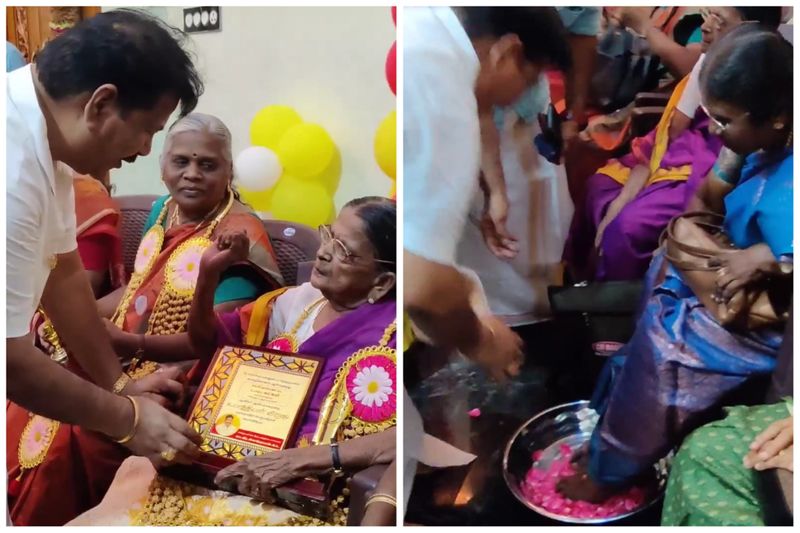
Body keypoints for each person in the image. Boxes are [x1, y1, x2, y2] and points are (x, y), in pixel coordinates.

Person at [7, 112, 282, 526]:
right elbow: (136, 290)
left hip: (184, 375)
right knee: (29, 399)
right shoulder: (163, 210)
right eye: (181, 162)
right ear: (163, 165)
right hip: (124, 355)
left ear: (228, 171)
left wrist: (125, 346)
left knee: (74, 433)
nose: (192, 174)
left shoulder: (239, 234)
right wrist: (71, 321)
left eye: (207, 165)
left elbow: (213, 342)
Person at [558, 25, 793, 502]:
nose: (715, 132)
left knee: (666, 349)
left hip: (771, 317)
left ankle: (611, 469)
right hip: (730, 276)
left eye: (725, 121)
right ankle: (611, 434)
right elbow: (704, 202)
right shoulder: (759, 143)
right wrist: (726, 164)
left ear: (778, 118)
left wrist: (772, 256)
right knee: (663, 276)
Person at [68, 196, 397, 526]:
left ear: (382, 283)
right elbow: (206, 343)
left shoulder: (395, 335)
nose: (324, 251)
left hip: (302, 492)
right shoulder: (300, 302)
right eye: (328, 235)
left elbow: (415, 436)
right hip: (230, 466)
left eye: (345, 251)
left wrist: (308, 460)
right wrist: (209, 274)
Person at [6, 10, 205, 527]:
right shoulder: (11, 168)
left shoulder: (42, 145)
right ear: (101, 104)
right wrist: (127, 420)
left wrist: (120, 388)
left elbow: (64, 273)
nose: (144, 151)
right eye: (146, 131)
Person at [403, 6, 571, 511]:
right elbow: (423, 286)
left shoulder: (434, 30)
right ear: (509, 51)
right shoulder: (443, 86)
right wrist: (483, 339)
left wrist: (493, 191)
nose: (524, 95)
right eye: (532, 77)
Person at [563, 7, 782, 282]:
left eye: (720, 20)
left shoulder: (757, 96)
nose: (706, 26)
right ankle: (592, 284)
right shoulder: (710, 67)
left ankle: (617, 301)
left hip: (701, 162)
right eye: (708, 14)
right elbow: (674, 131)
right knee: (600, 187)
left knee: (629, 227)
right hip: (679, 152)